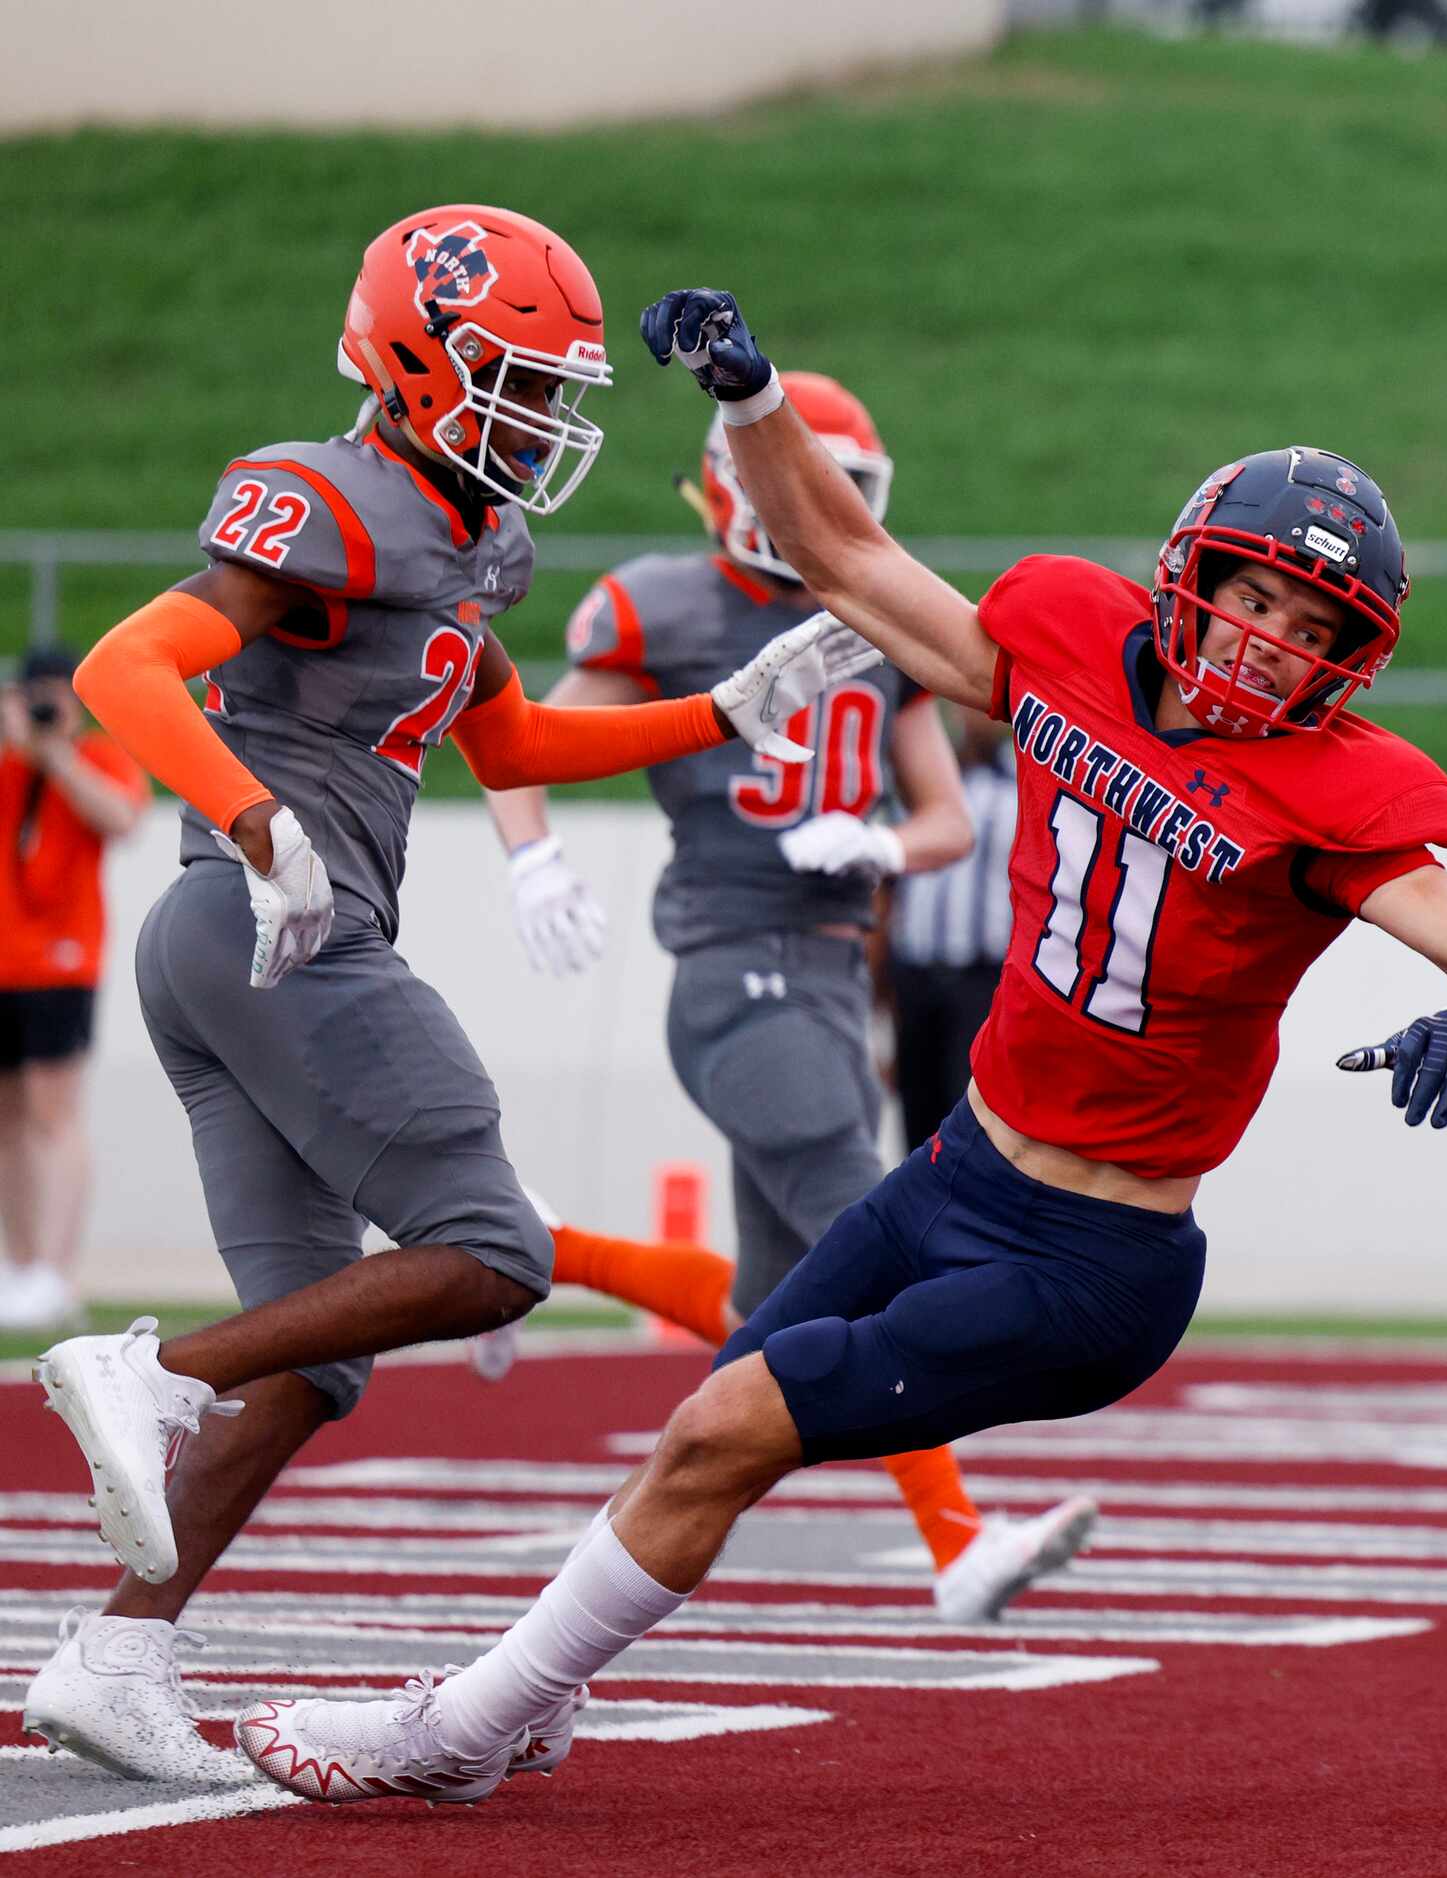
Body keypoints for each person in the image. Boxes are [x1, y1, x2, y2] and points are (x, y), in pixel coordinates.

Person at [227, 287, 1447, 1806]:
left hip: (1094, 1260)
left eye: (1314, 629)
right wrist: (753, 403)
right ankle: (531, 1703)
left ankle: (458, 1728)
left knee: (730, 1421)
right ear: (1194, 574)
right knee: (706, 1422)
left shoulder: (1335, 794)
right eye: (1258, 597)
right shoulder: (1067, 636)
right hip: (955, 1168)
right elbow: (844, 559)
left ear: (1351, 662)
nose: (1270, 644)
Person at [23, 211, 865, 1786]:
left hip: (241, 946)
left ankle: (116, 1652)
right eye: (519, 382)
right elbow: (131, 671)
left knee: (315, 1357)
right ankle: (152, 1375)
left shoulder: (474, 536)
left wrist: (721, 709)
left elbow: (516, 742)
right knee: (494, 1250)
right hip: (272, 927)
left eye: (558, 389)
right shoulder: (330, 495)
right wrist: (261, 821)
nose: (545, 419)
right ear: (419, 361)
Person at [481, 373, 1099, 1621]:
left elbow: (938, 819)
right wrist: (530, 854)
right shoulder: (666, 600)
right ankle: (955, 1539)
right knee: (860, 1227)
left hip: (826, 969)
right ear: (729, 473)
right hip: (730, 963)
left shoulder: (873, 614)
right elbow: (525, 737)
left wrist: (878, 850)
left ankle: (523, 1251)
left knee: (771, 1310)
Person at [0, 645, 151, 1331]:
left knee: (52, 1115)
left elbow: (122, 819)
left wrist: (57, 754)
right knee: (7, 1121)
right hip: (5, 963)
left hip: (60, 964)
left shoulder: (94, 756)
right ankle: (20, 1265)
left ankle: (54, 1275)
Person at [883, 715, 1019, 1150]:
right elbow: (890, 894)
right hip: (916, 978)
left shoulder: (1022, 783)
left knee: (972, 1128)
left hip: (981, 984)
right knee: (916, 1129)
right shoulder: (922, 783)